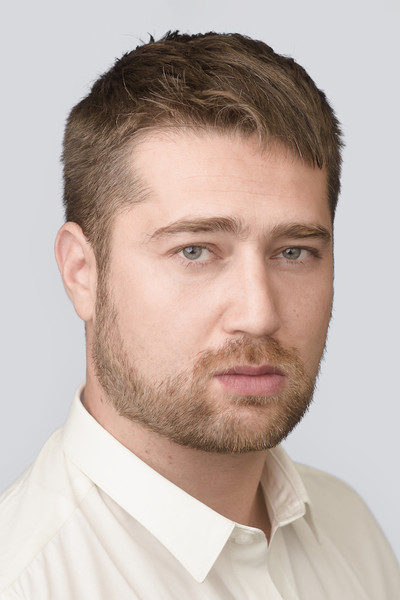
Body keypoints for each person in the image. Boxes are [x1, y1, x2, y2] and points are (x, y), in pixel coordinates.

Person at [0, 31, 398, 599]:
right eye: (194, 250)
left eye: (294, 252)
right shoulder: (26, 582)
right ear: (82, 272)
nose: (258, 315)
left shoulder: (350, 530)